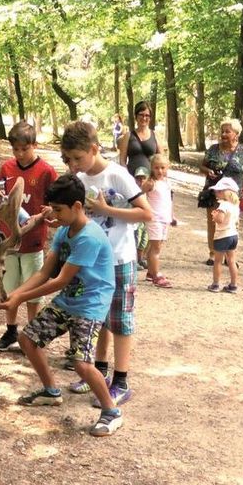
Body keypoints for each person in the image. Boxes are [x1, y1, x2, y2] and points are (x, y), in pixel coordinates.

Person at [0, 173, 123, 437]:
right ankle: (51, 391)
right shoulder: (65, 231)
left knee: (81, 363)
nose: (54, 214)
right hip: (69, 301)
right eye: (52, 208)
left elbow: (61, 280)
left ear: (77, 206)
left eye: (59, 209)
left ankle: (111, 411)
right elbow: (44, 273)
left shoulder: (89, 237)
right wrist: (14, 294)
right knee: (28, 339)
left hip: (90, 305)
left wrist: (19, 298)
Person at [60, 120, 153, 408]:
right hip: (92, 264)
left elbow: (145, 213)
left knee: (120, 321)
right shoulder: (79, 180)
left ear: (94, 149)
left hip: (120, 259)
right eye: (69, 159)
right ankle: (98, 372)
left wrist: (105, 209)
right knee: (97, 318)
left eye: (78, 158)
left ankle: (121, 381)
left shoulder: (117, 175)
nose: (74, 164)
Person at [0, 121, 58, 351]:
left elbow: (54, 204)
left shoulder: (46, 172)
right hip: (9, 242)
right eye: (15, 150)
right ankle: (11, 331)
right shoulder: (6, 168)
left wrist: (44, 216)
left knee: (30, 290)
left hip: (33, 241)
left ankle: (31, 335)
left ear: (34, 145)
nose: (20, 154)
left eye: (24, 149)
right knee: (9, 289)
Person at [198, 119, 243, 265]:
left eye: (227, 131)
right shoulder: (213, 149)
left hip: (234, 196)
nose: (223, 134)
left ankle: (230, 256)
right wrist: (208, 171)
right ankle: (213, 254)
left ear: (236, 134)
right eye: (222, 131)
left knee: (233, 225)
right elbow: (201, 167)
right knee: (214, 222)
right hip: (214, 192)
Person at [142, 154, 174, 288]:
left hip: (164, 219)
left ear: (167, 168)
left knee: (157, 246)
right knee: (156, 248)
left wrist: (172, 216)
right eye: (156, 168)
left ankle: (150, 271)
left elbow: (168, 200)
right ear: (151, 168)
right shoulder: (150, 183)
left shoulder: (167, 182)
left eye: (162, 168)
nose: (160, 171)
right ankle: (156, 276)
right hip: (154, 218)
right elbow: (139, 195)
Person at [207, 177, 241, 293]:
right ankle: (233, 285)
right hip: (233, 235)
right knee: (231, 260)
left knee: (218, 261)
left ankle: (216, 284)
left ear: (226, 192)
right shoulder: (235, 206)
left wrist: (214, 215)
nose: (216, 193)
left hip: (222, 236)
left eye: (219, 191)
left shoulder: (223, 205)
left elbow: (220, 220)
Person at [118, 100, 163, 176]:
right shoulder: (128, 136)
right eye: (141, 115)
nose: (144, 118)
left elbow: (161, 160)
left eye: (147, 115)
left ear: (150, 118)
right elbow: (122, 160)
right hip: (132, 179)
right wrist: (127, 177)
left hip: (150, 181)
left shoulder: (155, 135)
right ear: (136, 116)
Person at [133, 166, 150, 270]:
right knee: (136, 239)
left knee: (144, 240)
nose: (141, 181)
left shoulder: (149, 191)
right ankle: (134, 260)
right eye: (138, 178)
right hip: (137, 220)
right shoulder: (134, 191)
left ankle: (140, 258)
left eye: (143, 178)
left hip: (146, 220)